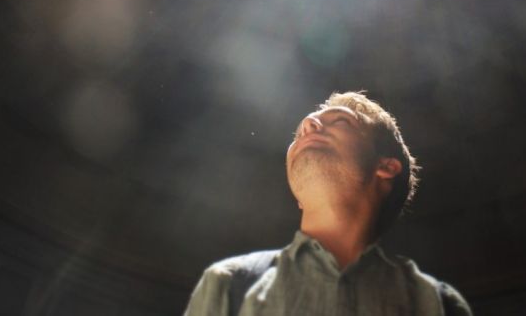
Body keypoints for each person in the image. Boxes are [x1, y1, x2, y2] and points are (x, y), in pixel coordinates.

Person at [184, 91, 472, 315]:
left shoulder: (439, 304)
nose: (309, 125)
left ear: (385, 166)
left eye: (340, 120)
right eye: (299, 133)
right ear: (298, 195)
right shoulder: (227, 284)